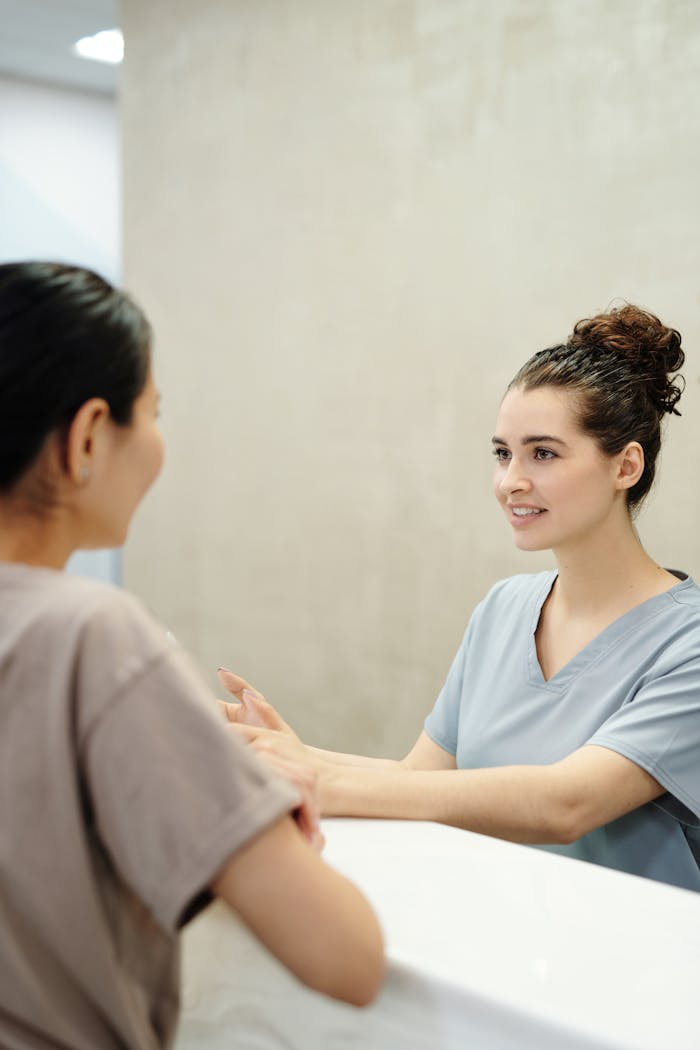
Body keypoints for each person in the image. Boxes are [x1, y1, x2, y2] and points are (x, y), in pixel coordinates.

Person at [0, 261, 384, 1050]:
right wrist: (253, 811)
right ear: (85, 438)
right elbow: (347, 957)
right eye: (155, 412)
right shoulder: (93, 636)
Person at [221, 303, 700, 893]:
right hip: (494, 949)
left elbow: (566, 803)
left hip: (639, 972)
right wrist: (285, 753)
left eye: (542, 453)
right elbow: (420, 779)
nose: (510, 481)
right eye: (503, 453)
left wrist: (320, 778)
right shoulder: (503, 610)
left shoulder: (688, 646)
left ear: (626, 465)